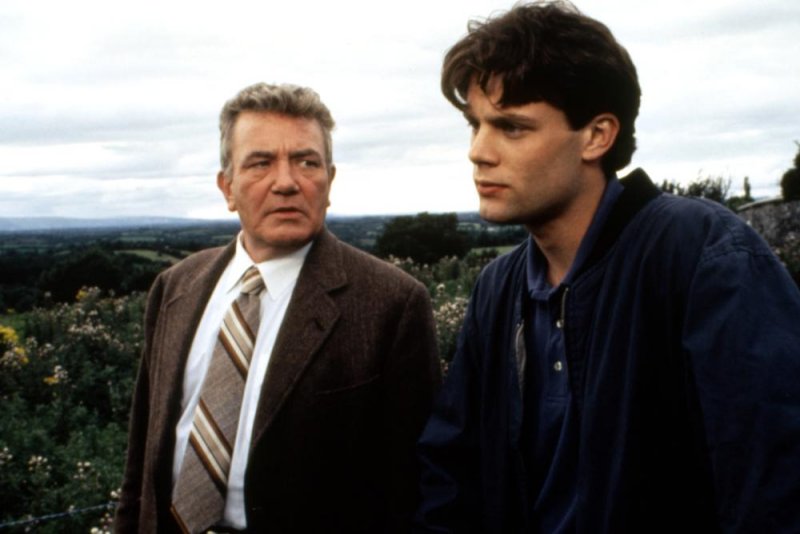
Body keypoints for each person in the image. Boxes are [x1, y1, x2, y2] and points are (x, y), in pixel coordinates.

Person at [415, 2, 800, 533]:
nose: (478, 151)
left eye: (512, 127)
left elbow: (773, 489)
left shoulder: (701, 254)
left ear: (597, 135)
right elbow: (451, 474)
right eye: (475, 125)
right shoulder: (497, 287)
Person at [114, 82, 441, 533]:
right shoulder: (175, 288)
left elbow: (415, 491)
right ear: (227, 187)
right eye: (261, 163)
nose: (286, 182)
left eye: (306, 162)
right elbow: (139, 467)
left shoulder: (391, 303)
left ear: (329, 182)